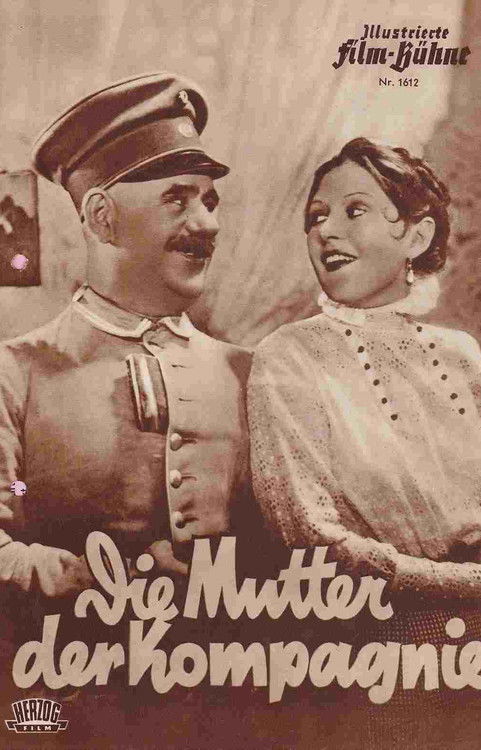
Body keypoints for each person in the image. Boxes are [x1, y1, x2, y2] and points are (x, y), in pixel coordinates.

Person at [0, 73, 256, 681]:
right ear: (102, 217)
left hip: (238, 694)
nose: (208, 224)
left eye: (210, 201)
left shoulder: (249, 373)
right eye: (178, 199)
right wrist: (87, 578)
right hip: (70, 691)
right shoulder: (16, 371)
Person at [248, 137, 481, 748]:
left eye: (353, 210)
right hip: (378, 650)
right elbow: (308, 534)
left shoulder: (460, 355)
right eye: (316, 217)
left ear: (415, 236)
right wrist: (477, 584)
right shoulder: (287, 357)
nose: (326, 231)